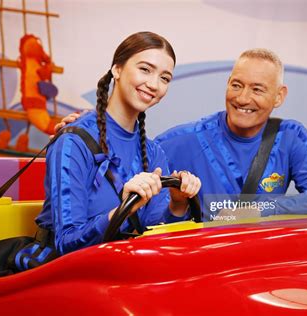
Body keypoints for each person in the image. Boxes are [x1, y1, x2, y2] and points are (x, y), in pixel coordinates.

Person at [56, 48, 307, 220]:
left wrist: (248, 211)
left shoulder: (289, 136)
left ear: (279, 96)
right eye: (236, 85)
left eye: (257, 89)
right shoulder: (187, 139)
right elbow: (133, 154)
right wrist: (92, 126)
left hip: (256, 264)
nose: (243, 98)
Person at [37, 31, 201, 255]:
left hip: (124, 274)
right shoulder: (73, 142)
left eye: (164, 78)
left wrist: (178, 203)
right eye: (145, 69)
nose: (154, 84)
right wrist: (124, 210)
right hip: (66, 276)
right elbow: (66, 244)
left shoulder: (153, 153)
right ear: (117, 69)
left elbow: (157, 237)